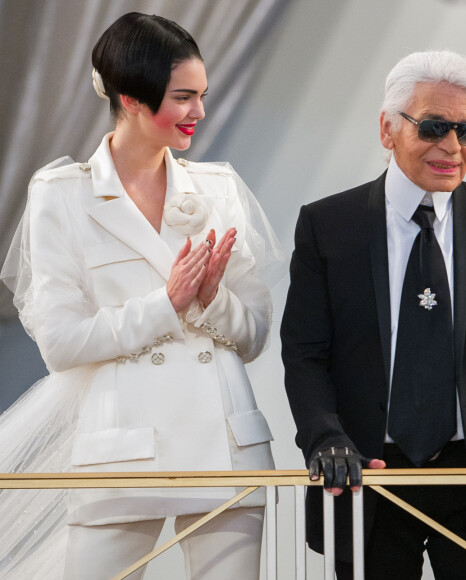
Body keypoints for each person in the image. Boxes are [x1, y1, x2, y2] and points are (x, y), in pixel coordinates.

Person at [0, 12, 284, 580]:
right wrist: (167, 304)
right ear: (131, 98)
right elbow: (60, 343)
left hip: (226, 447)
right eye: (183, 97)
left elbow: (252, 334)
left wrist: (209, 300)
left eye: (202, 96)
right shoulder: (62, 194)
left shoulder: (217, 188)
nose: (199, 113)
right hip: (120, 451)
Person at [281, 50, 466, 579]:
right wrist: (324, 437)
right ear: (387, 129)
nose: (452, 147)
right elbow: (305, 353)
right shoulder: (328, 227)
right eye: (435, 126)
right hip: (368, 476)